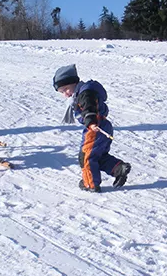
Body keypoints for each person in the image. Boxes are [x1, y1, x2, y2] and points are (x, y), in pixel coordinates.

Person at [53, 64, 131, 192]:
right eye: (62, 92)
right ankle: (118, 168)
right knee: (97, 156)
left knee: (86, 156)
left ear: (74, 82)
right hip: (102, 125)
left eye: (66, 89)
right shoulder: (83, 92)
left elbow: (89, 107)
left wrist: (91, 122)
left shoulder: (85, 93)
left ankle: (90, 183)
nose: (66, 94)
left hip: (95, 127)